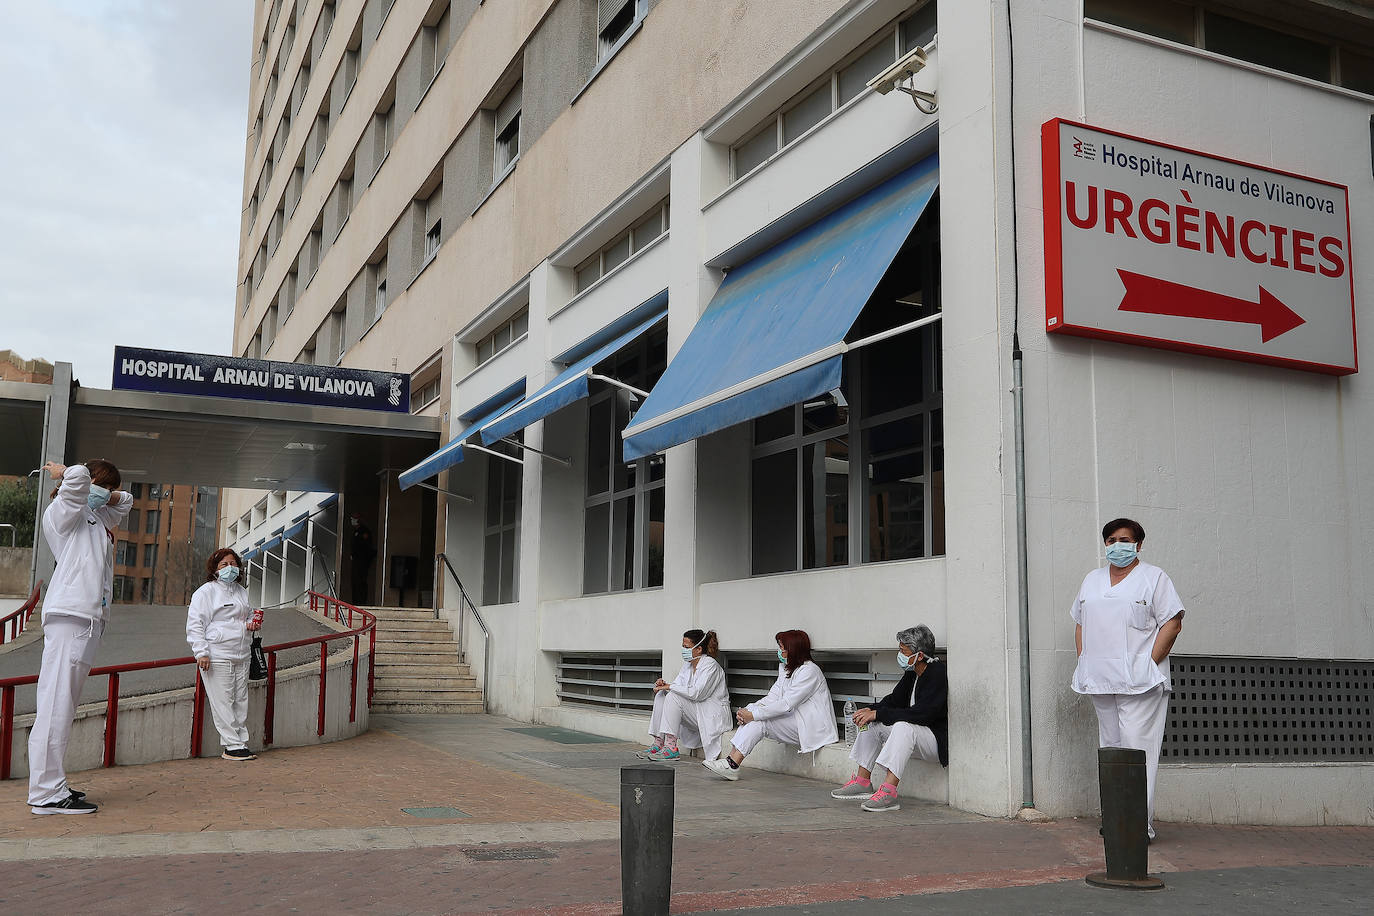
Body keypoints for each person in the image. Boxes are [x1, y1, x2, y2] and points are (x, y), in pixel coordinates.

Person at [1070, 517, 1184, 842]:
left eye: (1124, 539)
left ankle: (1137, 827)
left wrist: (1148, 665)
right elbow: (1080, 623)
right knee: (1112, 753)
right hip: (1101, 682)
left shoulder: (1154, 578)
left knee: (1138, 754)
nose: (1117, 545)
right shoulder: (1092, 580)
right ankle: (1116, 821)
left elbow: (1172, 623)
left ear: (1138, 544)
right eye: (1111, 540)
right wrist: (1084, 661)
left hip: (1141, 684)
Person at [29, 459, 132, 815]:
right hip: (69, 617)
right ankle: (44, 793)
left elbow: (127, 501)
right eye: (100, 485)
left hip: (87, 620)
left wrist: (104, 492)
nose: (104, 493)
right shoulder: (62, 513)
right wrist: (69, 472)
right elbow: (76, 482)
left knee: (63, 706)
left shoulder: (98, 518)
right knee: (55, 706)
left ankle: (53, 784)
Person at [831, 625, 948, 812]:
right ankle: (862, 782)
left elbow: (923, 714)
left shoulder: (937, 674)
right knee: (872, 723)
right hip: (912, 738)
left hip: (934, 741)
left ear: (919, 655)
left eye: (903, 650)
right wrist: (871, 710)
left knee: (903, 726)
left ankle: (889, 792)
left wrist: (879, 713)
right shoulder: (912, 673)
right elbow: (894, 701)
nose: (899, 654)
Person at [703, 629, 837, 780]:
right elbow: (772, 698)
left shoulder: (810, 671)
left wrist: (753, 715)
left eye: (782, 648)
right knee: (756, 716)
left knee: (760, 722)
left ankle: (731, 765)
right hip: (795, 721)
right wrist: (748, 710)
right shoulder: (788, 670)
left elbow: (786, 704)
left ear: (793, 650)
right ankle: (730, 762)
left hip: (812, 727)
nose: (779, 651)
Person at [187, 548, 263, 761]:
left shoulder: (241, 591)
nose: (230, 568)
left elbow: (246, 615)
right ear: (215, 569)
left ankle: (241, 741)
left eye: (233, 564)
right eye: (224, 565)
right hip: (217, 654)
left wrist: (252, 622)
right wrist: (201, 652)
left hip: (241, 653)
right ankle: (231, 745)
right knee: (222, 700)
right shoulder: (206, 592)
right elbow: (195, 624)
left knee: (240, 699)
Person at [638, 629, 730, 762]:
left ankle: (671, 748)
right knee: (662, 695)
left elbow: (697, 693)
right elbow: (677, 687)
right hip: (697, 713)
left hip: (712, 716)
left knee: (672, 696)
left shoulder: (711, 666)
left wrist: (670, 686)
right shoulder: (688, 666)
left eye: (686, 647)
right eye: (683, 646)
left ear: (698, 649)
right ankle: (658, 743)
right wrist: (664, 685)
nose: (683, 650)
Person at [348, 512, 376, 605]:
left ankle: (361, 601)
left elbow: (365, 546)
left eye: (354, 519)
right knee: (355, 581)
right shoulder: (356, 532)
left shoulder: (364, 531)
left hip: (362, 560)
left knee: (361, 581)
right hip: (356, 560)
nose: (352, 521)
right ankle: (355, 601)